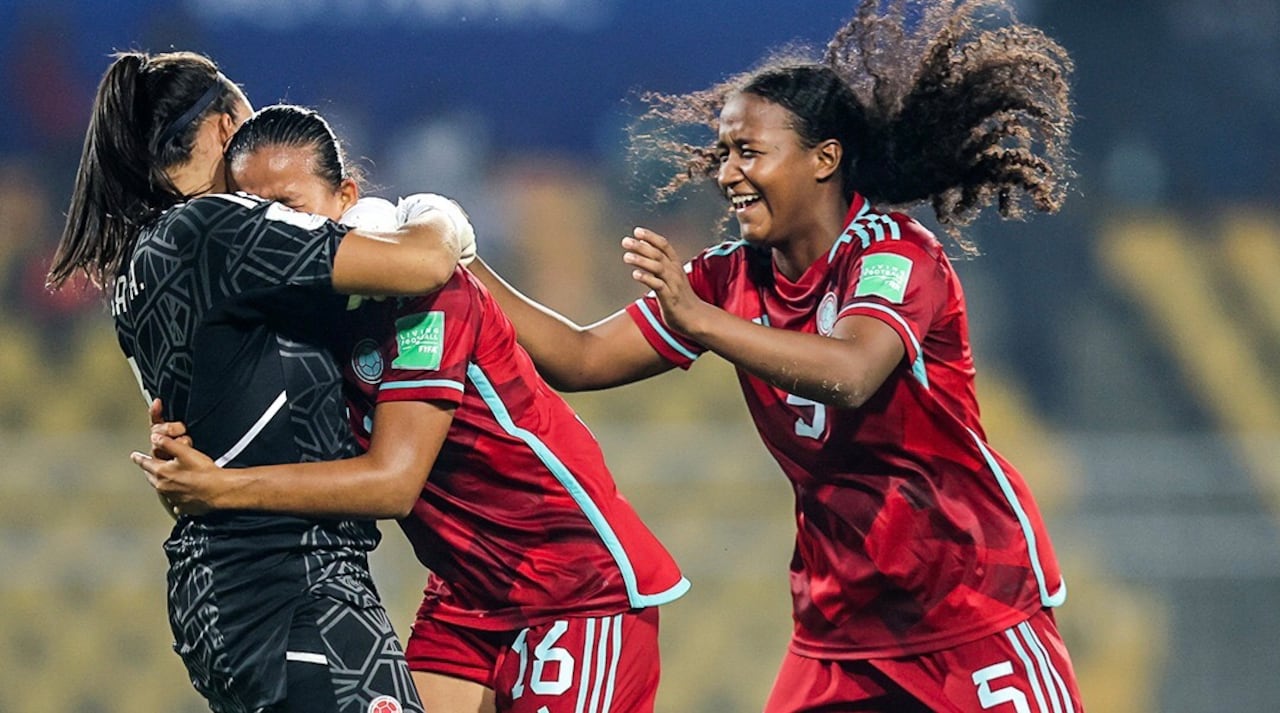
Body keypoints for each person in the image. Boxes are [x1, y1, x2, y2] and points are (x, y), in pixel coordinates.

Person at [464, 1, 1085, 710]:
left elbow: (850, 373)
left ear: (825, 158)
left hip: (971, 609)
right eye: (725, 152)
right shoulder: (729, 276)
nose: (728, 172)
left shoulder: (896, 252)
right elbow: (579, 357)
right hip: (841, 628)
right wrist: (461, 259)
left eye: (749, 151)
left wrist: (697, 318)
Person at [135, 104, 690, 713]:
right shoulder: (303, 323)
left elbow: (394, 483)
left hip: (571, 584)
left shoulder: (426, 295)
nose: (272, 230)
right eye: (255, 214)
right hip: (466, 594)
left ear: (346, 196)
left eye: (290, 207)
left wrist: (221, 489)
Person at [49, 51, 473, 713]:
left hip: (225, 595)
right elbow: (422, 261)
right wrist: (435, 210)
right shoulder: (214, 228)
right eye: (246, 125)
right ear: (223, 128)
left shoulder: (137, 265)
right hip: (294, 583)